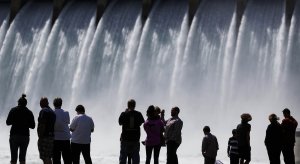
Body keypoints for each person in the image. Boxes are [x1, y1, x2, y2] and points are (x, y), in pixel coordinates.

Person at [6, 94, 35, 164]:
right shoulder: (29, 112)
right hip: (25, 136)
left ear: (18, 102)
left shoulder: (13, 110)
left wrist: (15, 121)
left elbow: (8, 122)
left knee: (13, 158)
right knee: (22, 158)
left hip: (14, 135)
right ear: (26, 104)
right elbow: (33, 126)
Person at [119, 99, 145, 164]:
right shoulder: (138, 114)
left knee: (123, 158)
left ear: (127, 105)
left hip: (125, 139)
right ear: (135, 105)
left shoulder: (124, 114)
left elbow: (120, 123)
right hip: (135, 139)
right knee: (135, 158)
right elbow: (141, 122)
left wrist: (125, 112)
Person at [37, 97, 56, 164]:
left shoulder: (43, 111)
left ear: (44, 103)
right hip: (51, 137)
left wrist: (40, 136)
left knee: (45, 157)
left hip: (45, 136)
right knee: (48, 156)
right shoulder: (52, 112)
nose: (40, 104)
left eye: (41, 102)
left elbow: (42, 124)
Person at [53, 98, 71, 164]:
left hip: (55, 138)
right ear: (61, 104)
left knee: (56, 159)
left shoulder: (51, 112)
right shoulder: (66, 113)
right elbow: (68, 122)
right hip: (65, 138)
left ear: (53, 104)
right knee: (67, 159)